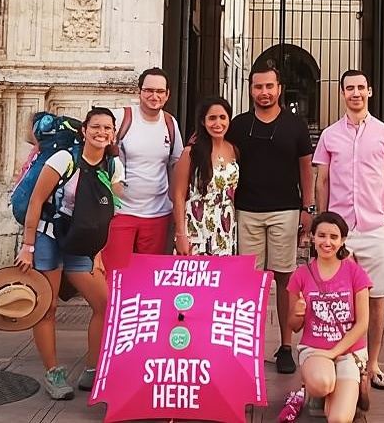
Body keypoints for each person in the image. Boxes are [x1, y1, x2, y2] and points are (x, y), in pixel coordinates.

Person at [16, 107, 124, 399]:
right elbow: (37, 201)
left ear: (113, 134)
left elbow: (105, 214)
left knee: (105, 304)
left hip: (81, 245)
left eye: (107, 128)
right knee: (46, 306)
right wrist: (28, 247)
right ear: (84, 130)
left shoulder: (112, 167)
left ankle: (93, 369)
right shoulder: (64, 159)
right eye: (96, 127)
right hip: (47, 238)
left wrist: (98, 254)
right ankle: (53, 373)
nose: (101, 132)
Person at [314, 69, 384, 394]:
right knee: (336, 298)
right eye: (349, 88)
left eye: (361, 88)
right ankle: (342, 361)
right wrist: (321, 224)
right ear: (341, 93)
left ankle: (374, 364)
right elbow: (321, 181)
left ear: (370, 91)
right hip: (339, 234)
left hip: (374, 228)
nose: (355, 93)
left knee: (378, 300)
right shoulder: (330, 135)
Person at [230, 62, 314, 374]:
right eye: (258, 87)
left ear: (279, 89)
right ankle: (247, 346)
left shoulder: (295, 125)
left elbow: (306, 169)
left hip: (286, 210)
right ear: (250, 89)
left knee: (284, 279)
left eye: (269, 87)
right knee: (249, 282)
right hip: (247, 211)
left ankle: (286, 347)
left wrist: (308, 208)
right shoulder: (238, 125)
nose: (264, 93)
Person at [287, 211, 371, 423]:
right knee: (323, 382)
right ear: (312, 237)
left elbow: (362, 324)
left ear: (342, 241)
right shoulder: (301, 274)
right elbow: (293, 326)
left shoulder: (355, 273)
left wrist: (334, 352)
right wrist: (298, 312)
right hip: (314, 350)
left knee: (339, 420)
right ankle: (322, 391)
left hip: (348, 351)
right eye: (322, 235)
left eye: (334, 237)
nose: (327, 242)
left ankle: (340, 391)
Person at [102, 67, 184, 275]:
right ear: (139, 92)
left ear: (167, 95)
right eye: (148, 90)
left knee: (148, 279)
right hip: (120, 213)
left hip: (158, 214)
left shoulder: (170, 123)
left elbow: (176, 166)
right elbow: (92, 140)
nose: (153, 96)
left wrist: (178, 208)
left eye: (159, 91)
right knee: (115, 278)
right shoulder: (120, 118)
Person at [172, 96, 239, 256]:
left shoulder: (233, 150)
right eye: (212, 118)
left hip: (225, 228)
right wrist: (181, 234)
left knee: (221, 278)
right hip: (196, 227)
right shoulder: (191, 153)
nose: (218, 123)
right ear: (203, 121)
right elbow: (178, 195)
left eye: (222, 117)